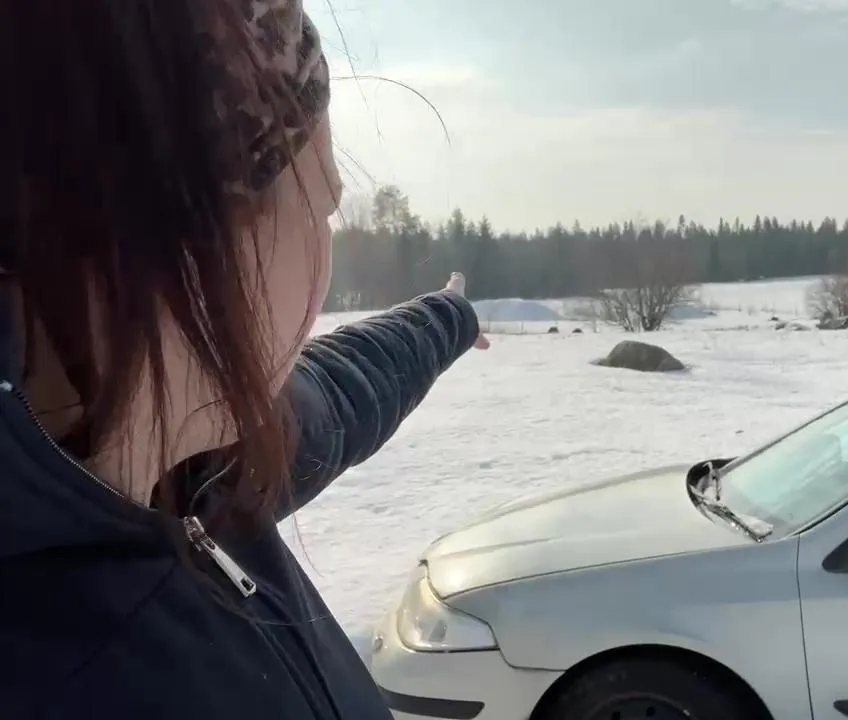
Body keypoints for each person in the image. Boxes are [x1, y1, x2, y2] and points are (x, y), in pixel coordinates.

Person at [0, 2, 487, 718]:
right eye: (322, 205)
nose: (325, 255)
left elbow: (342, 392)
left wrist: (447, 317)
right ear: (174, 248)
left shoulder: (189, 464)